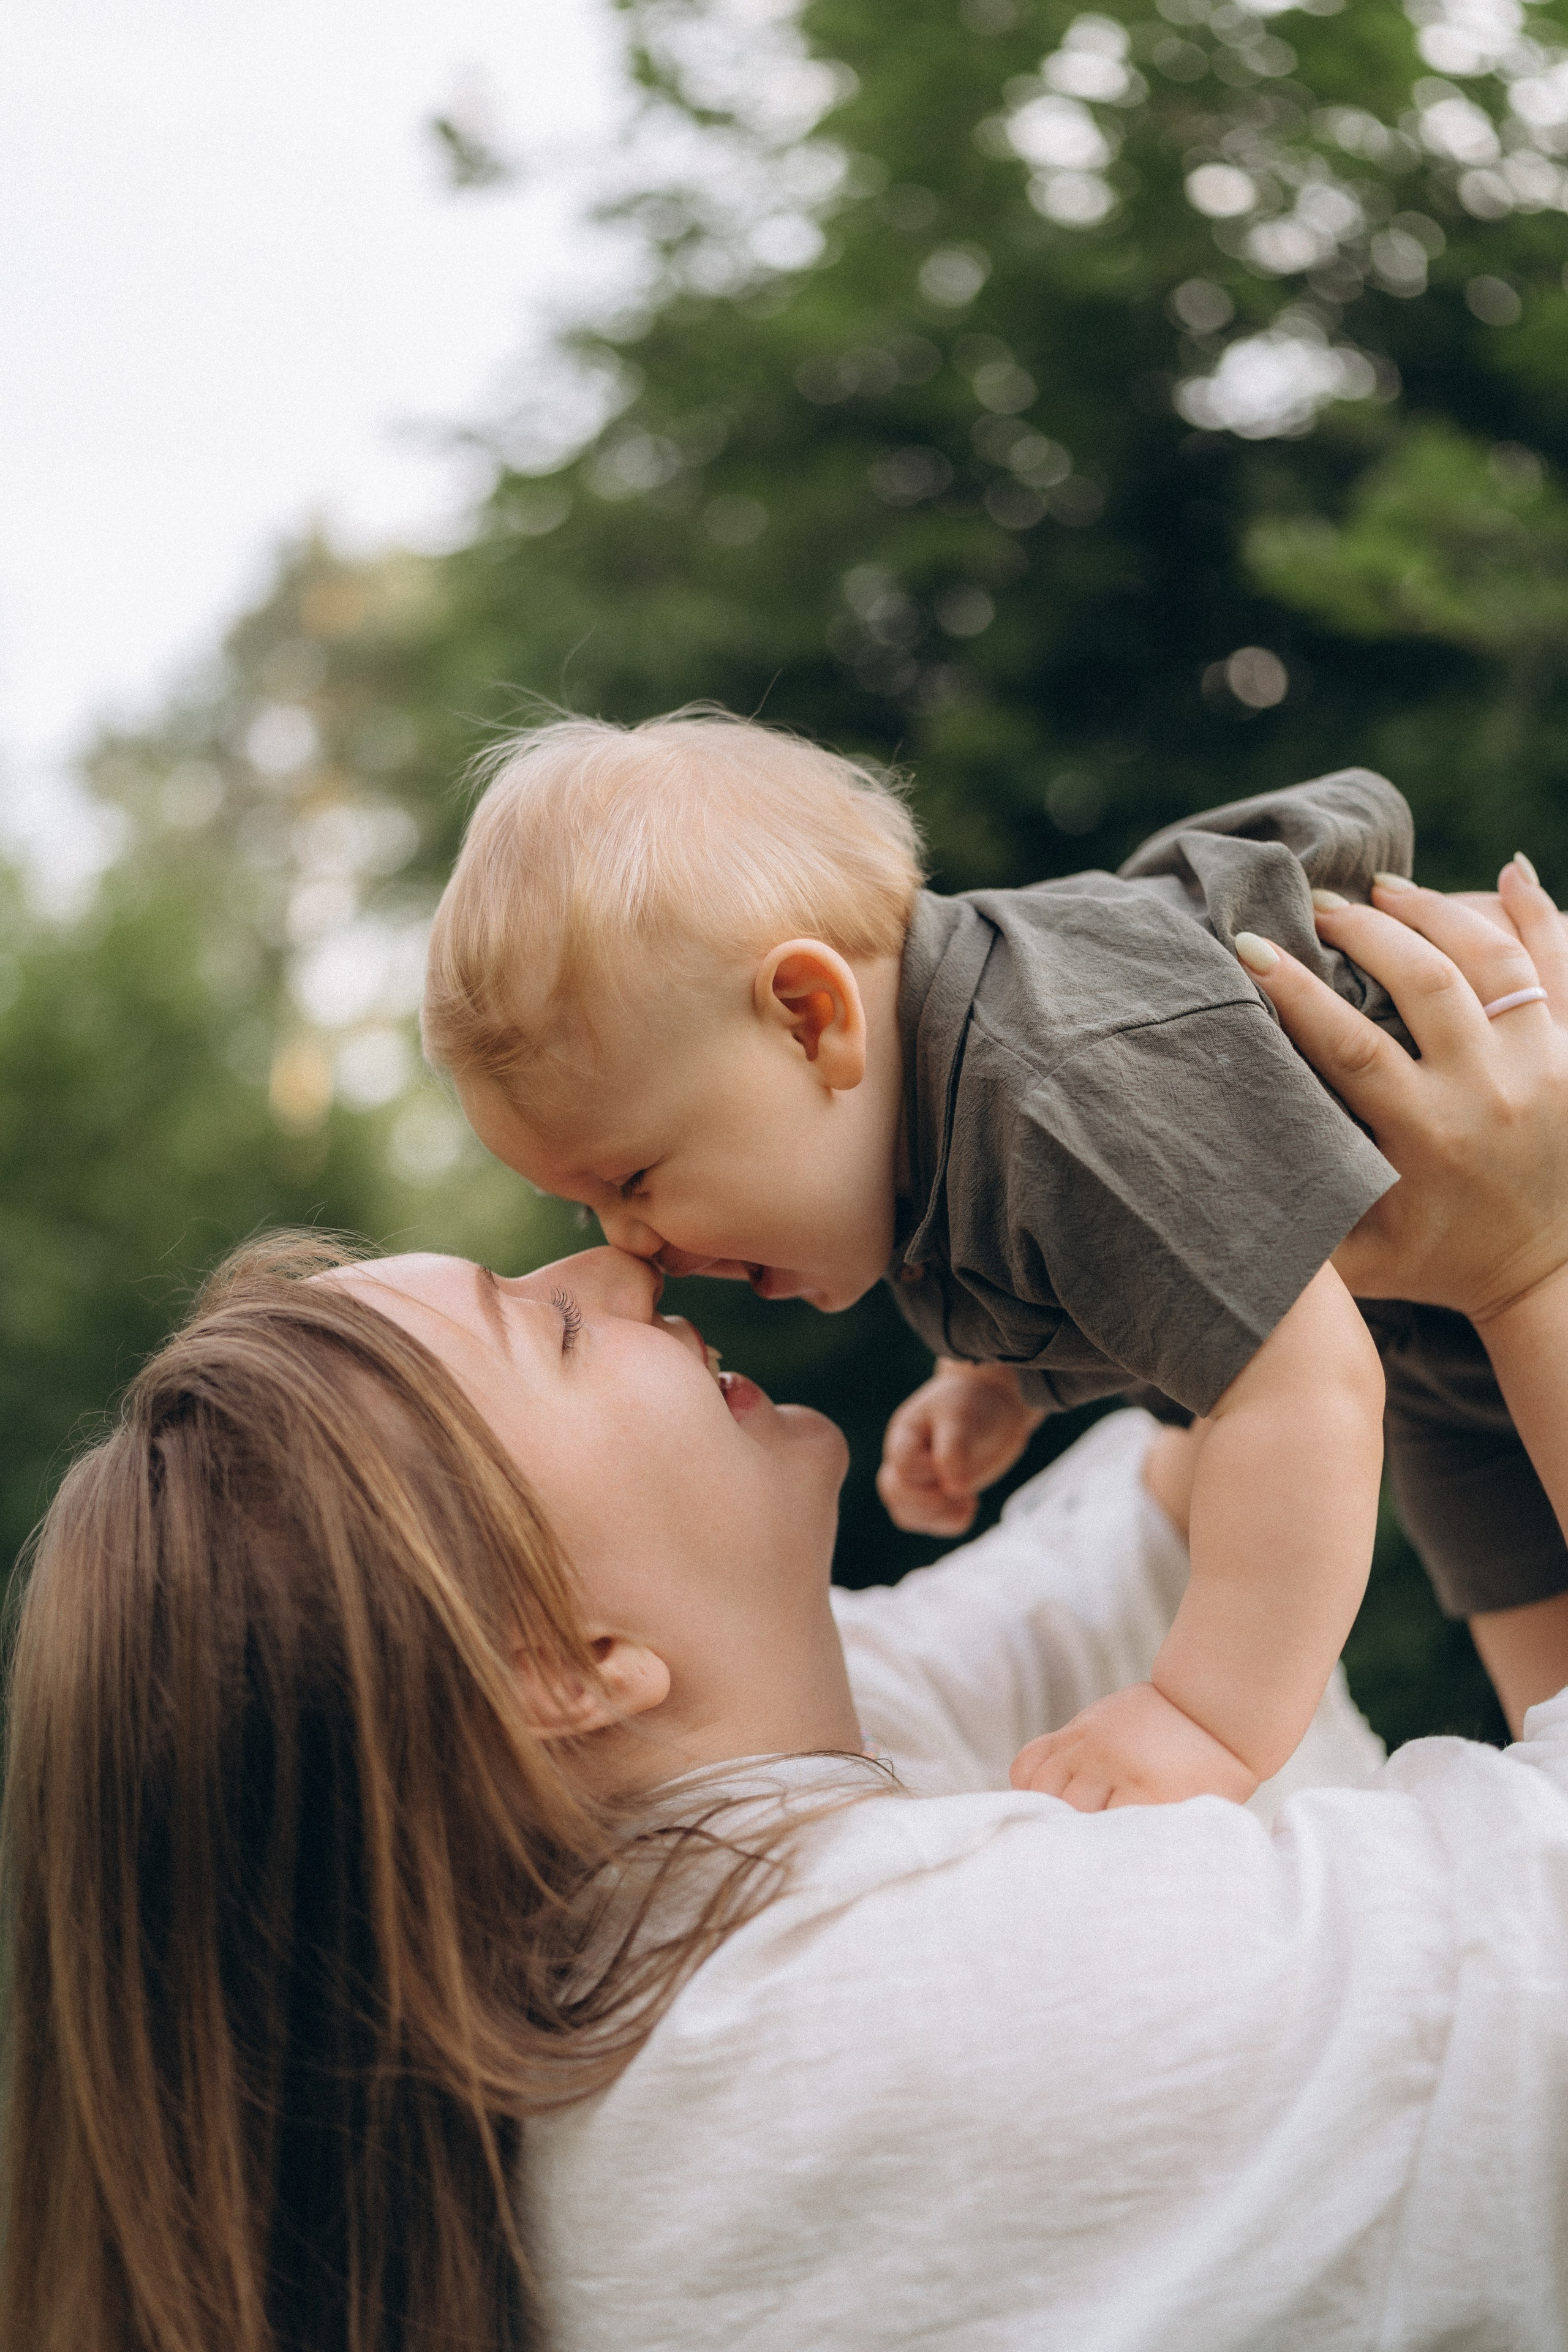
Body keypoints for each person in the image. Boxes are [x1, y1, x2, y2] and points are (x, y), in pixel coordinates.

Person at [9, 869, 1568, 2352]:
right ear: (559, 1662)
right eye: (549, 1332)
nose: (622, 1271)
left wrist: (1196, 1169)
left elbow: (1189, 1507)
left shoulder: (653, 1853)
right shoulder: (877, 2027)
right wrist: (1533, 1260)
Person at [420, 710, 1567, 1798]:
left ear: (811, 1019)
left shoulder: (1057, 1090)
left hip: (1523, 1218)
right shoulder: (959, 1120)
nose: (637, 1255)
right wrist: (1004, 1379)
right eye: (588, 1212)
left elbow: (1305, 1387)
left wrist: (1203, 1716)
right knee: (1547, 1716)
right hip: (1452, 1333)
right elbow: (1135, 1254)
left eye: (632, 1181)